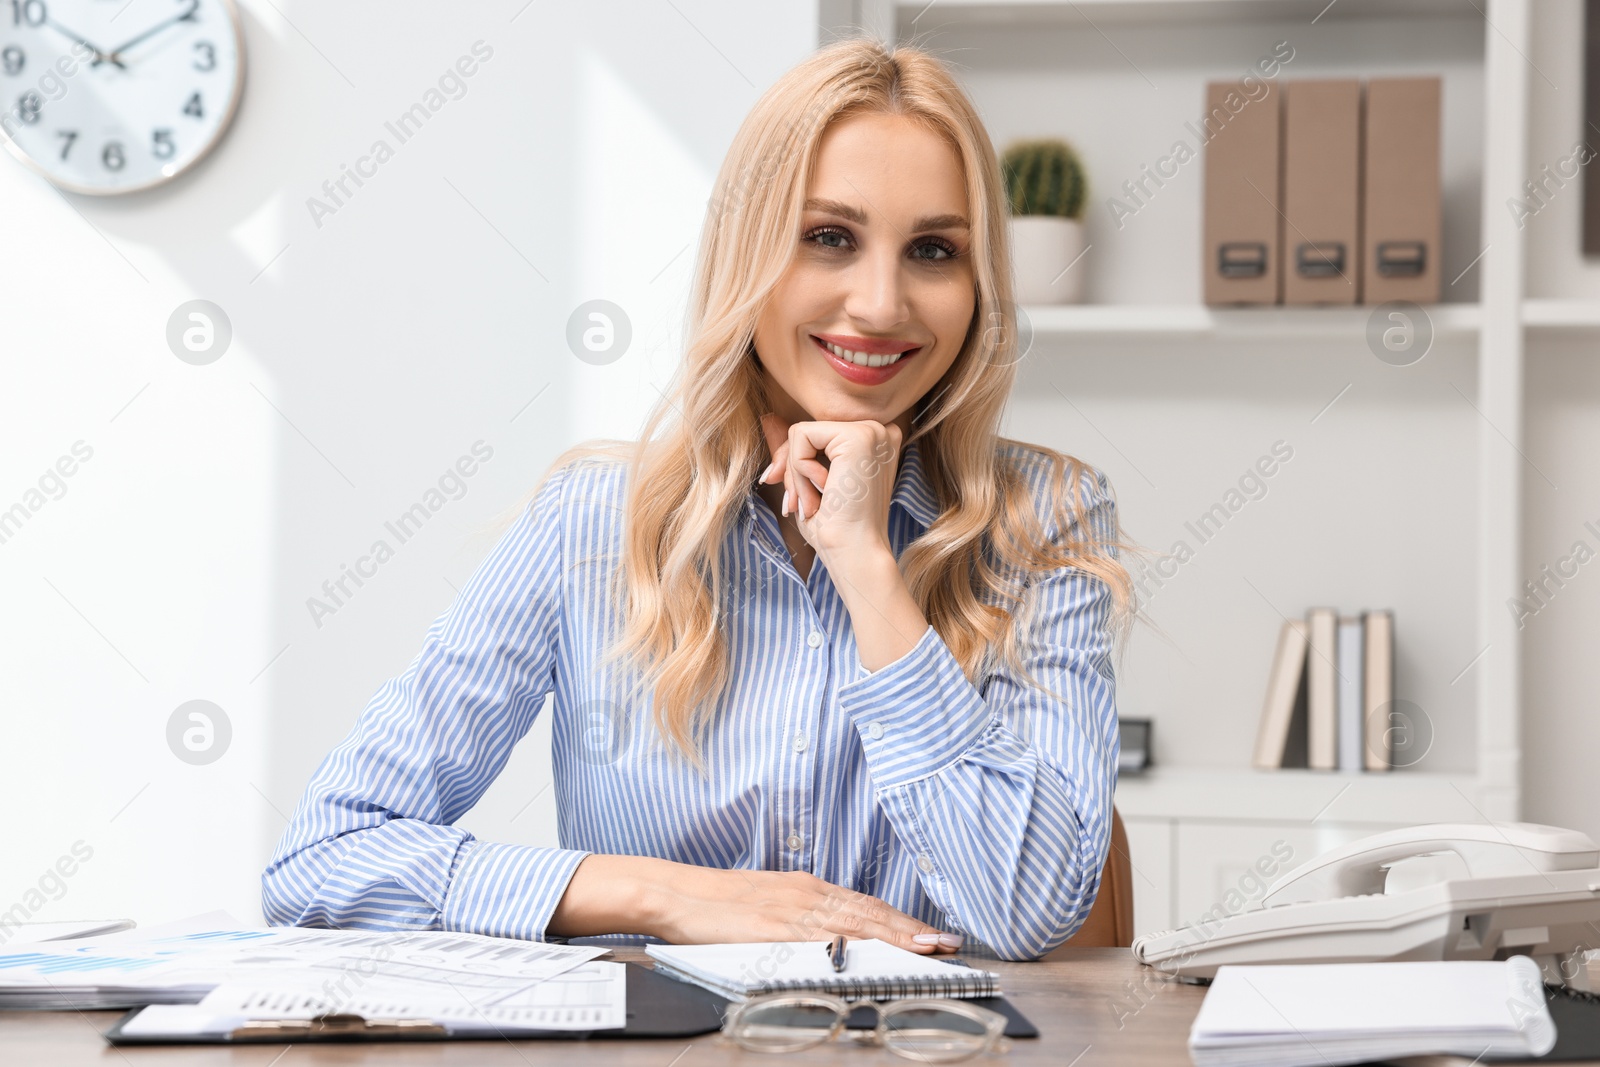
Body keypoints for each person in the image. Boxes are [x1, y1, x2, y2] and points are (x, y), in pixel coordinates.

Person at [262, 35, 1135, 962]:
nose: (882, 303)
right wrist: (666, 895)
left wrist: (867, 567)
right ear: (747, 251)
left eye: (932, 250)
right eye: (828, 237)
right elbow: (324, 858)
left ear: (978, 283)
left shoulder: (1044, 515)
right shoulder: (593, 522)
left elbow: (1031, 906)